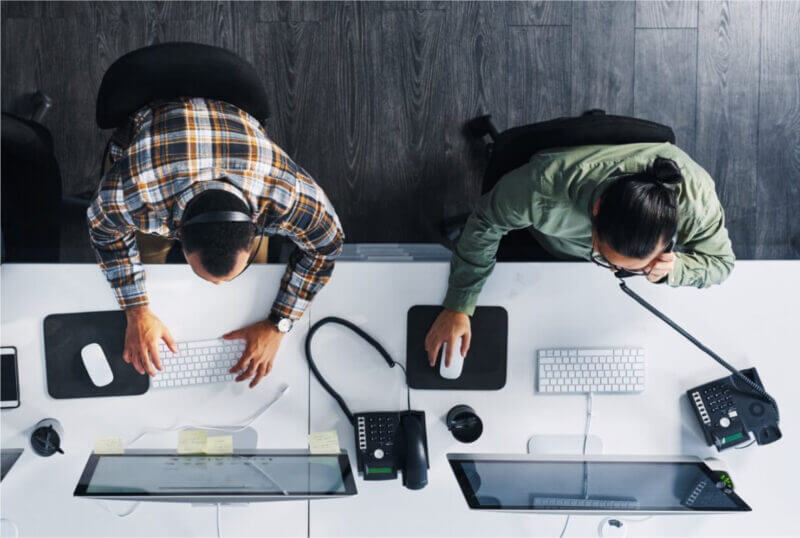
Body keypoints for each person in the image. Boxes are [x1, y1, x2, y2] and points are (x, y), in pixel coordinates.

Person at [88, 97, 343, 387]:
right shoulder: (132, 191)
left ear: (256, 228)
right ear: (178, 233)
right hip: (154, 129)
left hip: (238, 139)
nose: (219, 287)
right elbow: (104, 231)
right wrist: (137, 311)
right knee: (146, 258)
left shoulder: (284, 192)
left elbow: (328, 245)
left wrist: (279, 324)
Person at [425, 142, 735, 366]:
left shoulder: (697, 199)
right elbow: (485, 222)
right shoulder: (542, 189)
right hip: (551, 239)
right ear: (596, 213)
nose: (616, 272)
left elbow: (721, 264)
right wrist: (459, 305)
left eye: (633, 269)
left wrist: (676, 268)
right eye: (606, 259)